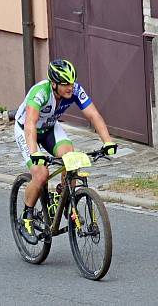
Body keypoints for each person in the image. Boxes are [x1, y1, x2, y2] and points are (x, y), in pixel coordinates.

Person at [13, 58, 118, 244]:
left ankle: (63, 195)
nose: (70, 87)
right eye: (65, 84)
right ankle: (26, 217)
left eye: (71, 82)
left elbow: (94, 115)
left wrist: (108, 142)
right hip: (27, 130)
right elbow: (30, 123)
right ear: (54, 84)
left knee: (71, 156)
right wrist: (35, 152)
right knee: (41, 174)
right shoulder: (41, 93)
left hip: (50, 128)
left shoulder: (75, 90)